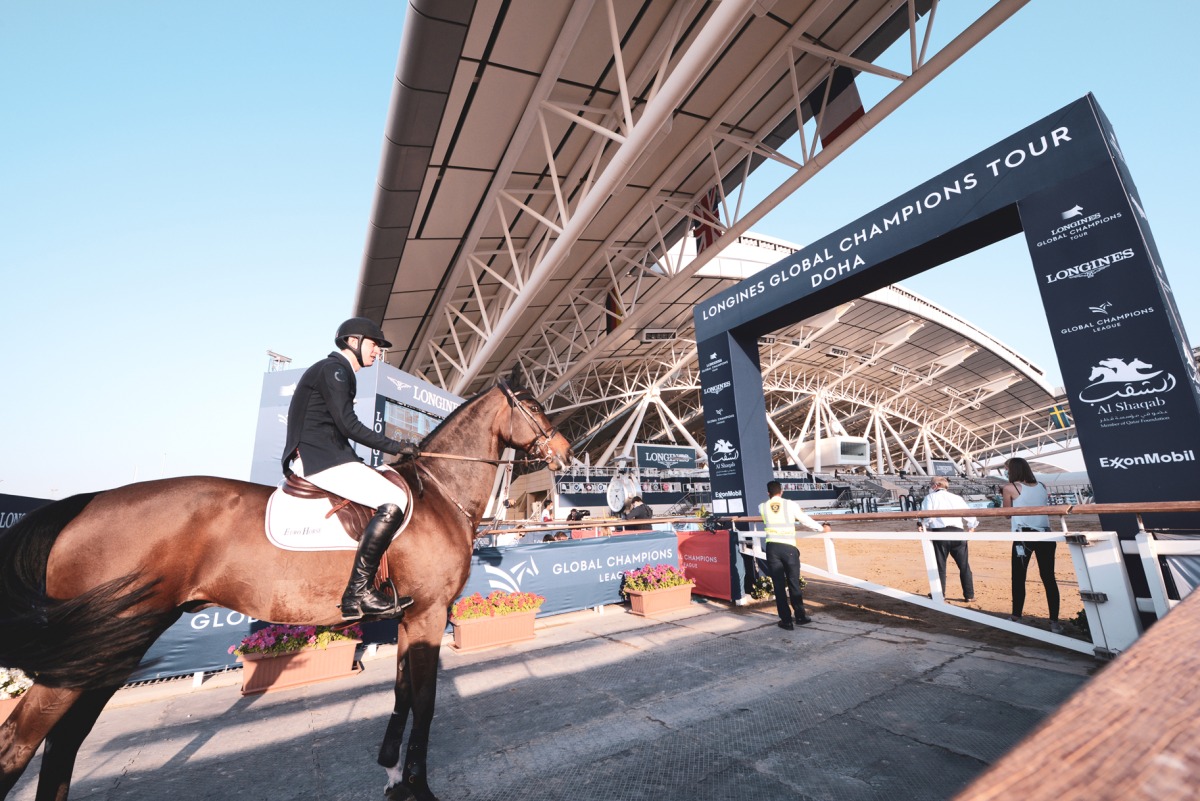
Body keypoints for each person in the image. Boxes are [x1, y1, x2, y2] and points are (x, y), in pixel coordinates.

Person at [282, 317, 418, 621]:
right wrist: (397, 446)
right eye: (374, 344)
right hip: (321, 460)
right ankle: (359, 591)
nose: (377, 352)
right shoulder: (335, 370)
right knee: (396, 500)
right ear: (353, 341)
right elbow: (349, 425)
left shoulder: (339, 371)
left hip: (330, 455)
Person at [758, 481, 831, 630]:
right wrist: (821, 528)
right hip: (788, 547)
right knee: (793, 583)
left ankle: (786, 620)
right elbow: (804, 520)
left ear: (768, 493)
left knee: (778, 586)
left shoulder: (762, 507)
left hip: (772, 547)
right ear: (782, 491)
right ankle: (800, 616)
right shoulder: (790, 504)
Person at [1002, 457, 1062, 632]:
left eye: (1006, 469)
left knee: (1019, 577)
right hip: (1045, 534)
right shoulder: (1042, 486)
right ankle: (1054, 622)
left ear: (1012, 470)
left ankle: (1016, 616)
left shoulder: (1010, 488)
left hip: (1024, 535)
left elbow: (1006, 514)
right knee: (1049, 577)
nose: (1005, 472)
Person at [918, 476, 978, 602]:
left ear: (935, 486)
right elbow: (969, 514)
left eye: (930, 485)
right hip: (958, 532)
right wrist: (971, 527)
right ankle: (969, 594)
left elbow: (927, 516)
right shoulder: (957, 498)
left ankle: (940, 594)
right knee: (964, 565)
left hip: (940, 533)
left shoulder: (930, 497)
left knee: (940, 565)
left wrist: (922, 525)